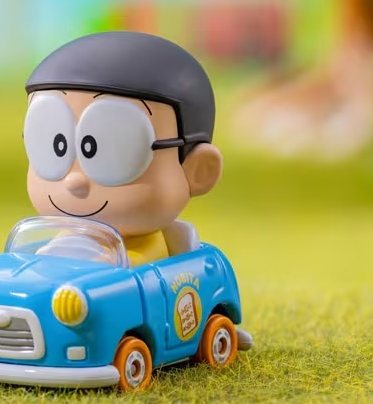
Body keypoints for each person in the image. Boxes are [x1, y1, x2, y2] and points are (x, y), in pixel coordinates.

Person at [23, 31, 223, 266]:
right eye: (53, 147)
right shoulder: (60, 241)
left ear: (199, 171)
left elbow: (135, 269)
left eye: (115, 151)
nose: (74, 181)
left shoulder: (147, 254)